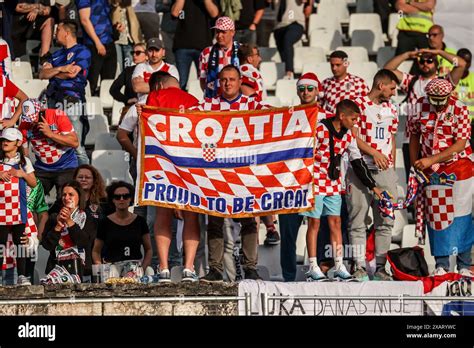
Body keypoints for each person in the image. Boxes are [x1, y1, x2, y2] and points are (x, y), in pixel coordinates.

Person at [193, 65, 267, 282]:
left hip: (244, 172)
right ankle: (215, 269)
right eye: (223, 79)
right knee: (214, 220)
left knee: (249, 219)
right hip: (215, 173)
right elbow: (182, 117)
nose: (227, 83)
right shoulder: (208, 104)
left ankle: (250, 267)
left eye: (232, 79)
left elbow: (282, 117)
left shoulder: (251, 104)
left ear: (239, 81)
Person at [302, 100, 384, 281]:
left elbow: (357, 161)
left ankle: (339, 265)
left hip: (333, 183)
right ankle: (313, 266)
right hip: (315, 182)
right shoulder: (321, 129)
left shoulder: (348, 136)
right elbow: (306, 154)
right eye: (353, 119)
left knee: (336, 223)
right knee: (314, 223)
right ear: (342, 116)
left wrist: (373, 185)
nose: (355, 123)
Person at [408, 78, 473, 277]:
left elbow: (460, 144)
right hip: (432, 169)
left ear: (449, 95)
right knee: (437, 218)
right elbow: (413, 137)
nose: (438, 105)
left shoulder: (460, 109)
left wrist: (430, 159)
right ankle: (442, 264)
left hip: (460, 167)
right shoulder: (418, 106)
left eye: (442, 100)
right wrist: (415, 165)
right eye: (434, 100)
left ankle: (464, 265)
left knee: (462, 216)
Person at [143, 73, 201, 282]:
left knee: (163, 216)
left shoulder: (155, 97)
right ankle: (188, 268)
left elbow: (148, 129)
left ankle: (164, 268)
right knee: (191, 215)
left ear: (157, 85)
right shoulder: (194, 101)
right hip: (191, 164)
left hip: (162, 163)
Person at [348, 69, 400, 281]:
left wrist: (392, 167)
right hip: (360, 169)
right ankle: (359, 267)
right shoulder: (357, 105)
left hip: (384, 171)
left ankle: (380, 267)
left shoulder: (392, 109)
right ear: (381, 85)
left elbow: (392, 138)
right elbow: (353, 137)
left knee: (386, 220)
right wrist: (374, 152)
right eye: (392, 88)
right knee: (357, 219)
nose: (394, 92)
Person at [384, 48, 466, 181]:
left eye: (430, 61)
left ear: (436, 63)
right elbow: (387, 70)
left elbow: (461, 64)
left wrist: (439, 52)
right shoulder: (411, 81)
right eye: (422, 61)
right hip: (412, 139)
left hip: (437, 141)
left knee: (438, 182)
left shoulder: (444, 83)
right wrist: (408, 54)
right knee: (414, 180)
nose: (425, 64)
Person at [279, 72, 324, 281]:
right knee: (288, 234)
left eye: (310, 88)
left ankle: (320, 272)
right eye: (302, 88)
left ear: (317, 90)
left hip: (318, 182)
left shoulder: (326, 117)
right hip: (291, 182)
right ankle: (288, 277)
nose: (306, 92)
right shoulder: (287, 116)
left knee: (320, 230)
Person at [39, 20, 91, 165]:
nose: (55, 34)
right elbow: (42, 74)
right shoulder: (56, 54)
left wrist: (53, 72)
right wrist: (62, 69)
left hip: (71, 100)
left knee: (77, 147)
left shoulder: (83, 51)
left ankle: (86, 183)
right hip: (53, 101)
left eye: (58, 31)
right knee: (55, 145)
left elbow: (73, 74)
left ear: (67, 33)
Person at [19, 98, 79, 196]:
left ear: (40, 111)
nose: (31, 121)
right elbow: (25, 152)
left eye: (33, 117)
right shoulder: (25, 124)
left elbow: (75, 143)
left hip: (66, 166)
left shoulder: (57, 115)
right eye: (28, 118)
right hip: (42, 169)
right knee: (32, 198)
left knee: (65, 200)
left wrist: (50, 134)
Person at [0, 128, 37, 285]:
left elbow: (34, 183)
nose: (4, 142)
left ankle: (22, 275)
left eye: (8, 140)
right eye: (3, 140)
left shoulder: (24, 161)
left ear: (18, 143)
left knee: (20, 243)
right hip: (1, 210)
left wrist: (23, 174)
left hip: (18, 209)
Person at [92, 181, 152, 274]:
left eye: (125, 196)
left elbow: (148, 249)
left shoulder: (140, 221)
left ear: (130, 198)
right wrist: (101, 270)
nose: (121, 199)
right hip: (112, 268)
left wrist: (142, 269)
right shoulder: (104, 222)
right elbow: (96, 251)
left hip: (135, 267)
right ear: (113, 200)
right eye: (117, 197)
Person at [41, 181, 97, 281]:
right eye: (64, 195)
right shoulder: (54, 218)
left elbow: (84, 242)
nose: (66, 198)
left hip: (81, 270)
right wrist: (58, 226)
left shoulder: (88, 217)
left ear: (79, 197)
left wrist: (69, 221)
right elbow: (47, 245)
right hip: (57, 270)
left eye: (71, 194)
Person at [171, 0, 219, 90]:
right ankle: (181, 103)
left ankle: (207, 102)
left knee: (207, 82)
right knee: (181, 82)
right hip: (182, 45)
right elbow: (174, 13)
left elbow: (214, 13)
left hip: (203, 45)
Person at [77, 0, 117, 95]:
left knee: (109, 82)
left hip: (109, 42)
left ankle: (106, 107)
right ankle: (89, 107)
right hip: (93, 45)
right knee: (91, 82)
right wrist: (97, 43)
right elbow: (84, 20)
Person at [199, 16, 240, 98]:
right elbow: (202, 80)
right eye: (217, 31)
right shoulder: (206, 52)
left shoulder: (241, 50)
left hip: (237, 101)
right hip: (213, 100)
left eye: (223, 32)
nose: (219, 35)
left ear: (232, 32)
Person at [132, 37, 180, 103]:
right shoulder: (140, 67)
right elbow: (137, 87)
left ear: (163, 52)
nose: (154, 54)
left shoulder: (171, 69)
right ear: (146, 52)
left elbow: (173, 90)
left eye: (157, 50)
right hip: (143, 106)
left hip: (164, 106)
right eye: (150, 51)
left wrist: (145, 85)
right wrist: (162, 87)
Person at [321, 50, 370, 115]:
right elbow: (319, 105)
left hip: (354, 122)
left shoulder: (359, 82)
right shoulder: (325, 83)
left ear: (346, 64)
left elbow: (367, 105)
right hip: (331, 122)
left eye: (338, 65)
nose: (334, 68)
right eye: (332, 65)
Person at [273, 0, 313, 79]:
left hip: (295, 23)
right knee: (282, 49)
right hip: (279, 26)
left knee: (287, 40)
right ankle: (287, 73)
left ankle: (289, 71)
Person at [110, 42, 147, 112]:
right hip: (131, 109)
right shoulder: (128, 71)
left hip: (148, 109)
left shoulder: (152, 71)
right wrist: (126, 100)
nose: (134, 55)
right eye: (133, 52)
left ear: (146, 55)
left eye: (138, 53)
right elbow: (113, 89)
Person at [110, 0, 142, 72]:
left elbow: (135, 25)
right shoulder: (112, 6)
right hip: (117, 41)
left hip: (129, 41)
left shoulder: (129, 7)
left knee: (128, 66)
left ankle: (127, 81)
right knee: (118, 66)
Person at [452, 48, 474, 144]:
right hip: (452, 123)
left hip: (471, 124)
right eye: (462, 60)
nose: (465, 64)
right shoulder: (449, 78)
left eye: (468, 61)